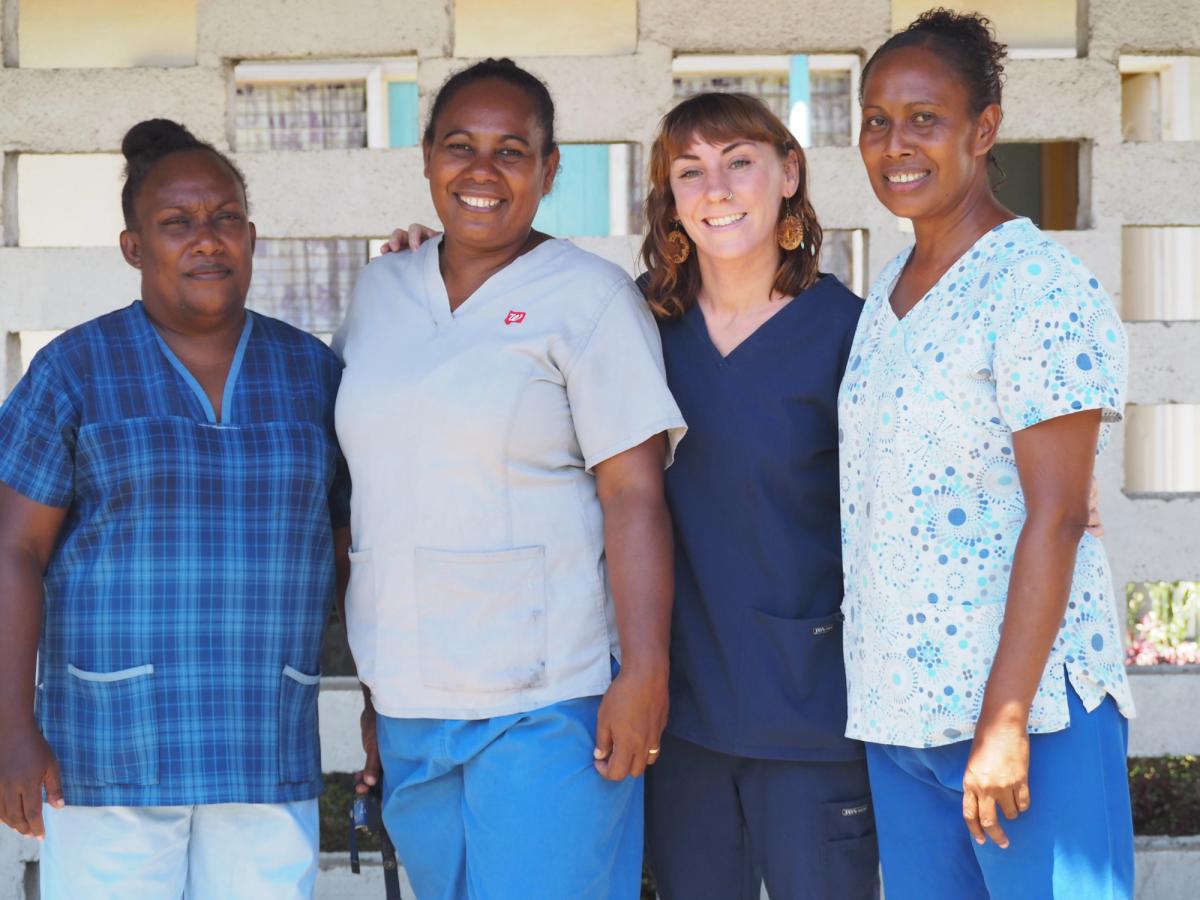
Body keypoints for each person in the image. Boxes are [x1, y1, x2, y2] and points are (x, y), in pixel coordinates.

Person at [334, 58, 686, 900]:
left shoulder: (589, 300)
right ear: (426, 159)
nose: (482, 171)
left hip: (546, 701)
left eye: (512, 150)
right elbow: (371, 488)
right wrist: (379, 697)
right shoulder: (381, 289)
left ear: (549, 168)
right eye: (460, 146)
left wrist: (645, 670)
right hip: (412, 699)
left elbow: (635, 496)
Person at [0, 120, 349, 898]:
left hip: (263, 737)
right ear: (133, 247)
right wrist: (12, 728)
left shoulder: (311, 373)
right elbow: (14, 550)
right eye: (177, 223)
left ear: (252, 237)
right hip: (108, 749)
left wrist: (382, 708)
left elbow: (353, 546)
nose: (207, 240)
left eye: (225, 218)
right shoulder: (75, 370)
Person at [839, 10, 1134, 898]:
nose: (896, 142)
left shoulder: (1037, 287)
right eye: (878, 119)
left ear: (985, 127)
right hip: (905, 714)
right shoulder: (883, 292)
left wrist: (1003, 722)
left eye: (924, 118)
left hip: (1027, 719)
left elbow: (1058, 516)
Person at [636, 92, 878, 900]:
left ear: (789, 174)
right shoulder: (639, 330)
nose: (717, 188)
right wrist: (434, 251)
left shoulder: (852, 330)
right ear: (669, 200)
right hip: (679, 719)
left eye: (739, 161)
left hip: (813, 710)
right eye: (690, 171)